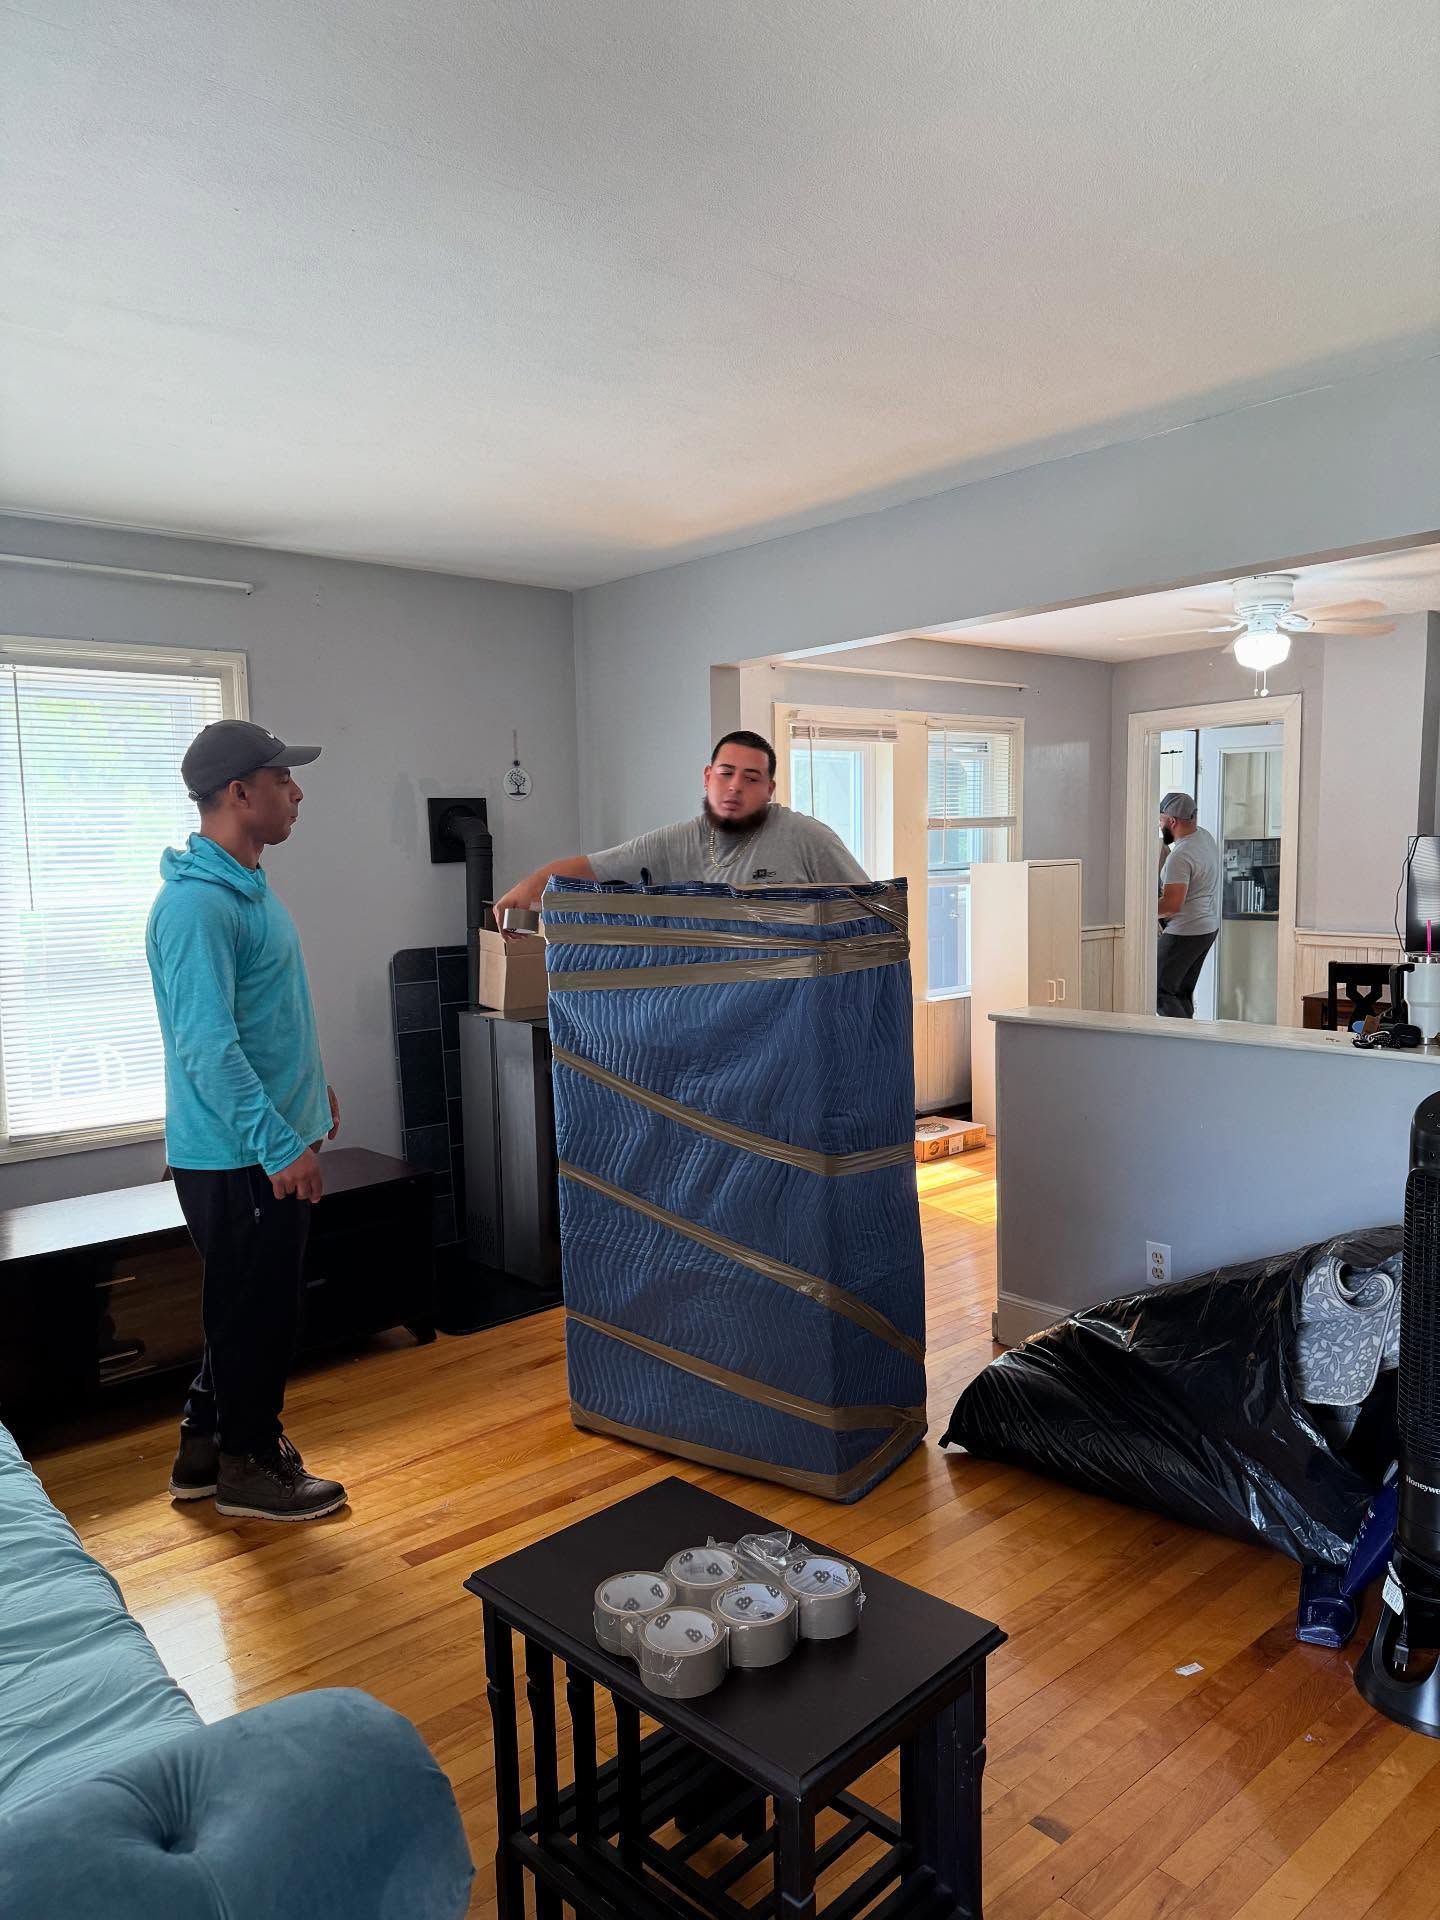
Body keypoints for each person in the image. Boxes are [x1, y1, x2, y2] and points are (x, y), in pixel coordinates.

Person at [145, 720, 346, 1522]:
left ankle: (203, 1450)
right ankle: (249, 1466)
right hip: (238, 1156)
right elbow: (207, 1046)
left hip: (264, 1142)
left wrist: (314, 1089)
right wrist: (276, 1143)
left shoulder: (247, 885)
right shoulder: (195, 907)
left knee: (243, 1306)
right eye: (281, 779)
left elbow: (270, 1015)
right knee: (259, 1314)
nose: (296, 792)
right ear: (239, 793)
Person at [494, 729, 869, 916]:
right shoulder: (674, 842)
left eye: (751, 778)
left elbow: (875, 911)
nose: (735, 787)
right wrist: (527, 888)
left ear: (769, 788)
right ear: (708, 777)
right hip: (715, 1007)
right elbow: (593, 867)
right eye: (726, 773)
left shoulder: (806, 838)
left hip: (796, 1011)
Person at [1156, 789, 1220, 1019]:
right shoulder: (1203, 836)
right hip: (1207, 928)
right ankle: (1189, 1046)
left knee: (1159, 990)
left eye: (1161, 820)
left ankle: (1178, 1048)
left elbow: (1172, 904)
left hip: (1186, 930)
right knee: (1181, 992)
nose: (1160, 825)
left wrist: (1140, 909)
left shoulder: (1181, 856)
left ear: (1172, 821)